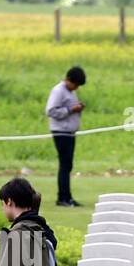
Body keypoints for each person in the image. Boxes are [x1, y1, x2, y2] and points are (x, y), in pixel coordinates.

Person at [45, 66, 86, 207]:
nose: (76, 88)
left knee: (68, 165)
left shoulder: (70, 91)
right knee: (65, 165)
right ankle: (62, 198)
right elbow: (50, 111)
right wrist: (70, 110)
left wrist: (78, 108)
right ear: (68, 80)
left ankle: (67, 197)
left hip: (69, 132)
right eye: (75, 84)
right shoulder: (58, 91)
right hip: (61, 132)